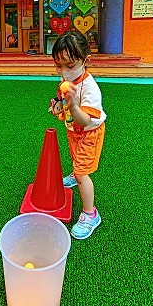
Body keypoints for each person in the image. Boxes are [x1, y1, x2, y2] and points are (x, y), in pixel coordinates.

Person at [49, 30, 106, 240]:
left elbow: (85, 120)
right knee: (75, 159)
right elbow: (61, 100)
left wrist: (73, 106)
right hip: (73, 130)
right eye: (59, 65)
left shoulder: (91, 89)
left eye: (70, 65)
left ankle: (91, 214)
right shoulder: (66, 80)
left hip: (89, 132)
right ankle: (76, 174)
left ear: (86, 61)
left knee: (83, 173)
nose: (64, 72)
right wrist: (58, 106)